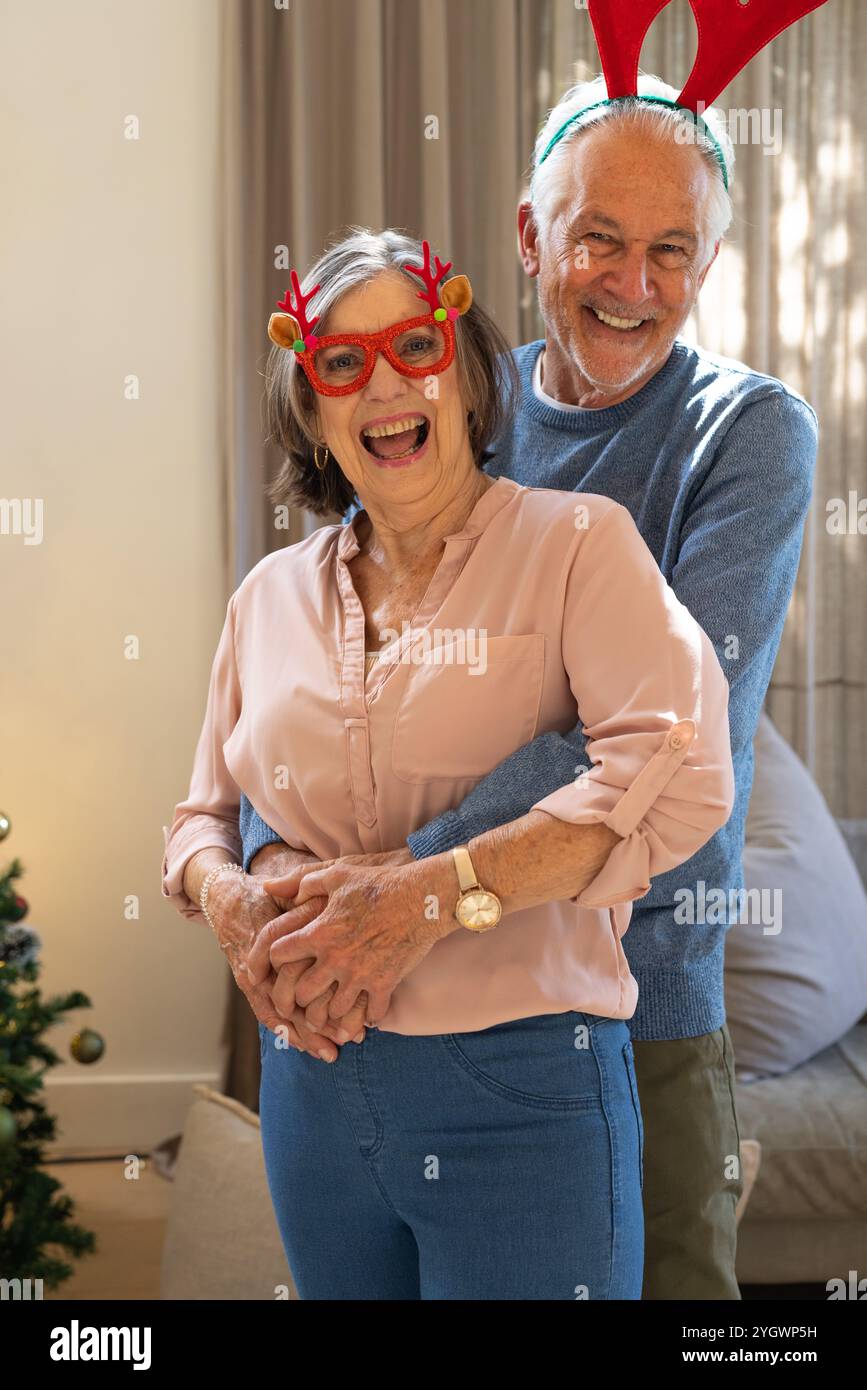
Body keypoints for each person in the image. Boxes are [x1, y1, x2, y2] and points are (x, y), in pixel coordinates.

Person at [241, 76, 818, 1299]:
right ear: (529, 237)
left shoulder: (748, 435)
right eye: (599, 238)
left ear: (707, 262)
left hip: (635, 996)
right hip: (391, 1002)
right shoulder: (448, 413)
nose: (633, 283)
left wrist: (395, 891)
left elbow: (662, 740)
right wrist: (276, 868)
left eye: (672, 251)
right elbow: (321, 672)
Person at [161, 227, 734, 1300]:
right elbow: (200, 818)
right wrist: (233, 900)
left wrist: (433, 895)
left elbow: (682, 768)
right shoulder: (264, 598)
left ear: (465, 376)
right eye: (341, 361)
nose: (382, 381)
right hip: (314, 1095)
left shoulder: (579, 545)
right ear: (315, 412)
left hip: (523, 1091)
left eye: (413, 346)